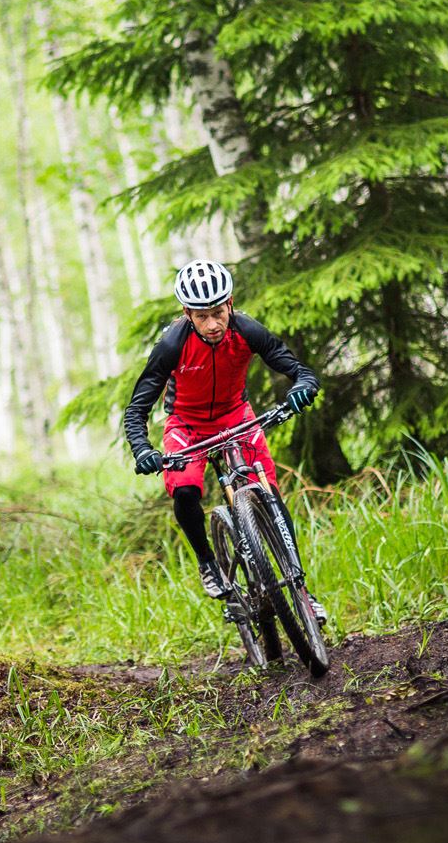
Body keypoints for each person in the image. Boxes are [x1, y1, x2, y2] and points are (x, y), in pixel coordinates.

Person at [123, 260, 325, 621]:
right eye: (202, 316)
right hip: (187, 424)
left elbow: (298, 370)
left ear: (230, 303)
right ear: (187, 313)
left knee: (272, 499)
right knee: (185, 489)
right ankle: (208, 563)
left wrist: (303, 387)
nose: (213, 324)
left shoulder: (247, 330)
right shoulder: (172, 344)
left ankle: (303, 593)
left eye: (218, 313)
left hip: (236, 416)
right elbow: (136, 410)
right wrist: (142, 450)